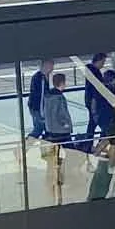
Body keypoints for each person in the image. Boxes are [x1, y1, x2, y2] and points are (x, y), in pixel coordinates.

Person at [37, 70, 76, 202]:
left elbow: (44, 113)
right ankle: (64, 177)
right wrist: (66, 125)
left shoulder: (47, 97)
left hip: (50, 132)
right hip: (61, 132)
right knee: (72, 152)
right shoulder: (59, 98)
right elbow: (63, 114)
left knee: (54, 157)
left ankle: (54, 177)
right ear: (62, 83)